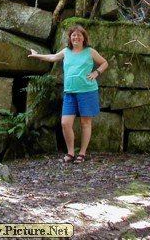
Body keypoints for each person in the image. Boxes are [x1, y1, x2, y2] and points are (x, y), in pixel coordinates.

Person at [28, 24, 108, 163]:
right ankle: (70, 153)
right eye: (73, 35)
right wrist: (37, 55)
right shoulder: (66, 51)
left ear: (83, 38)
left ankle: (82, 154)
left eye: (79, 35)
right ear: (70, 38)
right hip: (70, 92)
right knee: (65, 123)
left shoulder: (90, 51)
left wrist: (96, 72)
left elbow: (104, 63)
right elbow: (52, 57)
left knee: (85, 123)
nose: (76, 37)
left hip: (87, 91)